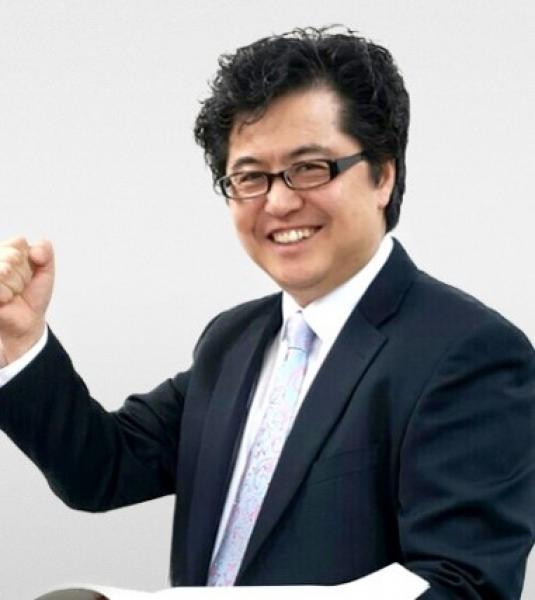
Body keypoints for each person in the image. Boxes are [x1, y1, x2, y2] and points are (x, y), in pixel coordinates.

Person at [0, 26, 533, 599]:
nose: (278, 202)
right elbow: (101, 470)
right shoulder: (232, 340)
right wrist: (20, 340)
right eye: (250, 177)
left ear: (383, 174)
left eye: (311, 167)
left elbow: (461, 586)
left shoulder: (469, 353)